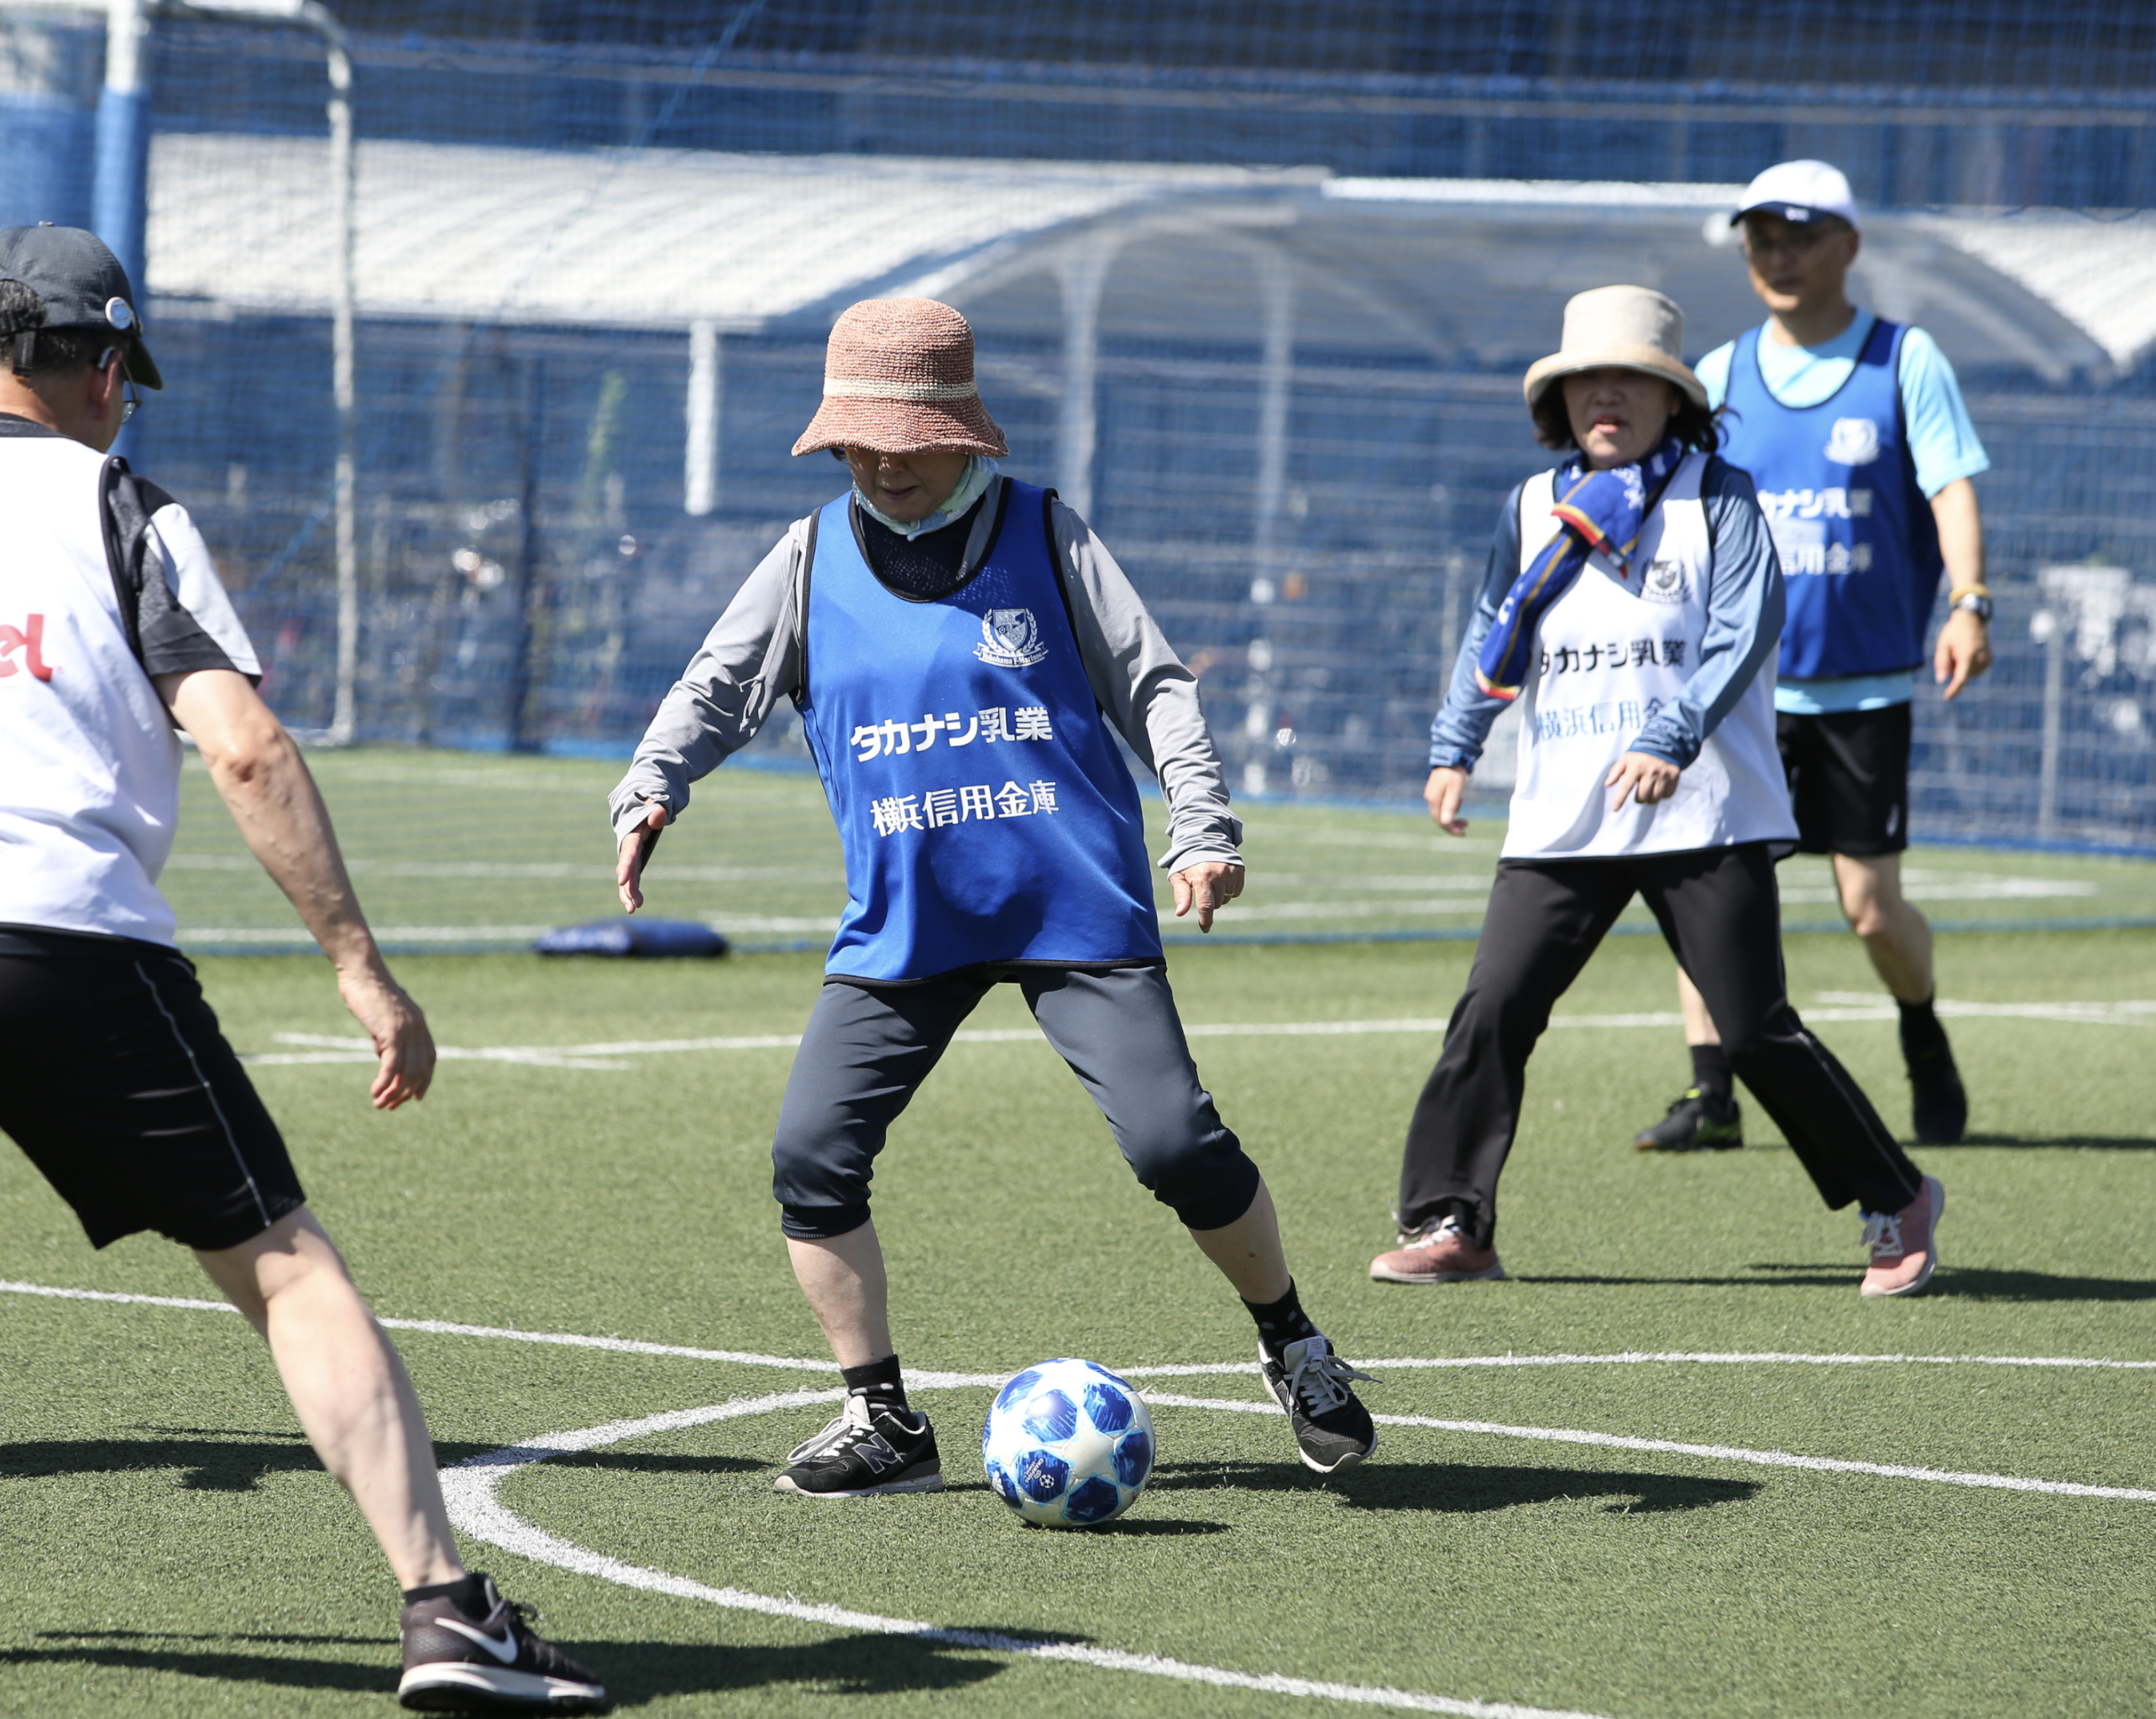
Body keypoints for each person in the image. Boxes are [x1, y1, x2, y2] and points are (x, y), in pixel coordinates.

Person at [0, 226, 607, 1714]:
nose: (121, 405)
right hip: (62, 934)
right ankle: (442, 1608)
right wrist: (360, 965)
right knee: (280, 1258)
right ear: (90, 374)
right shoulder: (124, 503)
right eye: (119, 379)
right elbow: (249, 747)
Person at [611, 296, 1377, 1500]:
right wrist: (652, 785)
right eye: (859, 441)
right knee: (811, 1156)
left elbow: (1157, 685)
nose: (882, 462)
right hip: (909, 924)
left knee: (1175, 1143)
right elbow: (715, 689)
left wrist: (1203, 825)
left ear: (963, 434)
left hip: (1075, 913)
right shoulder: (807, 558)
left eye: (906, 439)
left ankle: (1295, 1345)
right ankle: (881, 1417)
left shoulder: (1047, 534)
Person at [1391, 285, 1941, 1298]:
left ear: (1672, 397)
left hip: (1706, 808)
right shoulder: (1528, 507)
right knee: (1494, 1008)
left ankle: (1897, 1196)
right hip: (1564, 810)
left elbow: (1746, 627)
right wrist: (1454, 742)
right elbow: (1491, 629)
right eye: (1585, 381)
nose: (1607, 395)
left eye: (1631, 379)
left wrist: (1670, 735)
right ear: (1558, 403)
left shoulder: (1719, 495)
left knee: (1751, 1030)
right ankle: (1451, 1220)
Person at [1635, 160, 1992, 1155]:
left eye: (1799, 237)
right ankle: (1712, 1092)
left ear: (1849, 244)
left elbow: (1951, 487)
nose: (1779, 257)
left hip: (1866, 685)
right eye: (1762, 241)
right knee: (1706, 883)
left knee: (1869, 907)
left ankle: (1922, 1031)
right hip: (1738, 692)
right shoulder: (1720, 370)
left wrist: (1969, 603)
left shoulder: (1902, 359)